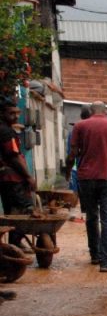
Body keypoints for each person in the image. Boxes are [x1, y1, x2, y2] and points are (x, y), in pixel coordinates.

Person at [67, 101, 107, 272]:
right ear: (106, 111)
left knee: (91, 217)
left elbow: (73, 153)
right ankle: (106, 262)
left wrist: (67, 170)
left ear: (91, 111)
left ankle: (94, 255)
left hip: (86, 178)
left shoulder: (80, 126)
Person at [0, 98, 35, 233]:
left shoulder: (6, 129)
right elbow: (14, 156)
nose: (16, 117)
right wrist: (28, 176)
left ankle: (15, 243)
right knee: (22, 210)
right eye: (12, 113)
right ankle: (16, 243)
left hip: (5, 179)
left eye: (17, 113)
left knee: (12, 211)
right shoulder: (6, 132)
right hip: (12, 178)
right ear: (2, 114)